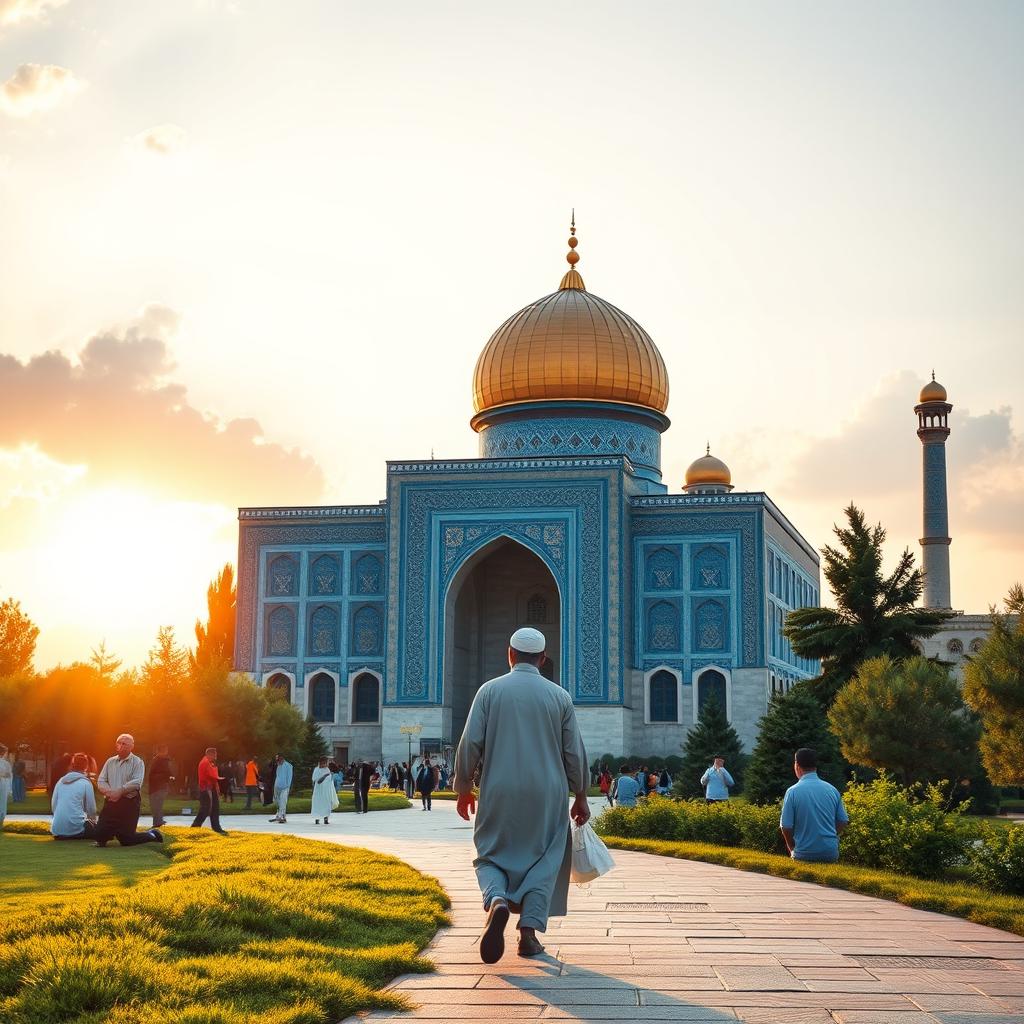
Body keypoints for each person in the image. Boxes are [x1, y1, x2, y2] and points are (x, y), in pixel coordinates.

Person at [454, 626, 590, 963]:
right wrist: (582, 794)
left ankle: (497, 900)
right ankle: (528, 935)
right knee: (546, 859)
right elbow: (574, 752)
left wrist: (462, 788)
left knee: (490, 854)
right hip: (547, 792)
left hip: (499, 788)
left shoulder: (489, 691)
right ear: (543, 659)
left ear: (510, 654)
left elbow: (470, 744)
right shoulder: (559, 696)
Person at [780, 747, 849, 863]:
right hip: (830, 853)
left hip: (803, 853)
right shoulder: (832, 789)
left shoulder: (793, 791)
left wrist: (791, 848)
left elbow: (786, 826)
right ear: (815, 767)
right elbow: (843, 820)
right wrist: (830, 834)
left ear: (797, 765)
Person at [94, 733, 162, 847]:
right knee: (99, 837)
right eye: (118, 743)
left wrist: (119, 791)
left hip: (129, 802)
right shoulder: (110, 761)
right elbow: (101, 781)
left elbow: (136, 782)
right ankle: (109, 833)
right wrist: (110, 792)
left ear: (131, 746)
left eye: (124, 743)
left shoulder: (137, 762)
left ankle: (152, 834)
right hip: (111, 801)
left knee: (127, 840)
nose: (120, 745)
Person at [51, 752, 98, 840]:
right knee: (99, 829)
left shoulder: (61, 781)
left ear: (72, 765)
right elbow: (91, 809)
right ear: (86, 767)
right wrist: (93, 822)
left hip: (57, 830)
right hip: (77, 829)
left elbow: (54, 804)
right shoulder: (86, 783)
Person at [191, 747, 229, 835]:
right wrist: (221, 779)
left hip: (211, 788)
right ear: (209, 754)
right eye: (214, 754)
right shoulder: (205, 763)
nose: (216, 756)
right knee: (205, 809)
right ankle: (195, 827)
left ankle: (216, 827)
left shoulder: (209, 763)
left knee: (215, 808)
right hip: (206, 789)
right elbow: (212, 775)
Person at [148, 744, 172, 827]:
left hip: (157, 786)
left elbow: (165, 772)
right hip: (160, 786)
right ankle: (158, 821)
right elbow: (169, 773)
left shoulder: (159, 760)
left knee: (156, 804)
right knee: (158, 804)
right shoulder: (165, 760)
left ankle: (157, 822)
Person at [311, 756, 339, 824]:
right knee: (318, 804)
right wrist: (325, 776)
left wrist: (329, 776)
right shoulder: (316, 770)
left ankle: (326, 818)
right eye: (327, 762)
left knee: (326, 804)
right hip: (319, 791)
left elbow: (329, 780)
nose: (327, 764)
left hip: (326, 791)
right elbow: (318, 781)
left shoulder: (327, 769)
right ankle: (317, 819)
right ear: (322, 762)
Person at [269, 753, 293, 823]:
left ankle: (283, 816)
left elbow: (289, 777)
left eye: (278, 760)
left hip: (285, 787)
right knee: (277, 802)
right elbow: (277, 776)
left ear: (282, 758)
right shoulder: (278, 765)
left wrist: (288, 787)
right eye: (277, 760)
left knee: (283, 802)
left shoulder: (288, 766)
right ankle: (278, 815)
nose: (277, 762)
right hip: (277, 787)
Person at [0, 743, 12, 829]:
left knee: (2, 803)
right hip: (3, 784)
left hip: (2, 784)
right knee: (2, 803)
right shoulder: (6, 763)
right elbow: (8, 775)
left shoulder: (6, 763)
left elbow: (8, 775)